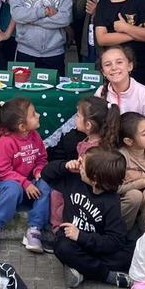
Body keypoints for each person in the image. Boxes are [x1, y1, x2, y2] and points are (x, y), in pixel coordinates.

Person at [43, 148, 132, 289]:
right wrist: (65, 166)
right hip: (71, 241)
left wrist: (81, 236)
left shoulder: (111, 201)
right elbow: (46, 174)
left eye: (82, 164)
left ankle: (81, 268)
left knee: (129, 254)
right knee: (62, 247)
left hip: (96, 244)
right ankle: (106, 276)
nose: (79, 163)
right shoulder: (73, 179)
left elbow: (114, 240)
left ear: (95, 178)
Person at [46, 95, 121, 237]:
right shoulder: (89, 140)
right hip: (82, 182)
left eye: (78, 115)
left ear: (88, 125)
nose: (75, 118)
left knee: (57, 193)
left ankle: (59, 229)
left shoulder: (94, 149)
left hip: (84, 188)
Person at [0, 96, 50, 251]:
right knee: (13, 188)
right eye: (34, 114)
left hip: (29, 187)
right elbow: (4, 172)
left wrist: (39, 170)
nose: (38, 115)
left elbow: (42, 158)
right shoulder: (4, 143)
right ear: (22, 126)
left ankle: (34, 229)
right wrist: (25, 183)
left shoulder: (35, 136)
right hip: (5, 185)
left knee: (46, 185)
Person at [95, 45, 145, 133]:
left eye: (119, 62)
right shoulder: (100, 93)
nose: (114, 68)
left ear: (130, 66)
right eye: (107, 64)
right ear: (103, 72)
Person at [117, 111, 145, 229]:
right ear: (129, 141)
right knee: (134, 195)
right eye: (144, 134)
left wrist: (142, 176)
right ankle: (122, 232)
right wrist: (141, 182)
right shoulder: (121, 157)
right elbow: (116, 188)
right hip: (124, 202)